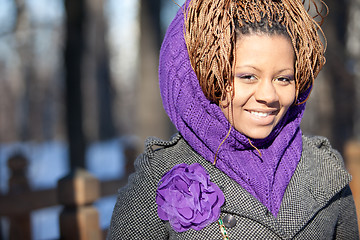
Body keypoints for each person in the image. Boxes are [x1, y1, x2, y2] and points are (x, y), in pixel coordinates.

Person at [107, 0, 359, 239]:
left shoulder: (324, 169)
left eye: (283, 79)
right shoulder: (161, 175)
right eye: (248, 76)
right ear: (206, 76)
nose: (269, 96)